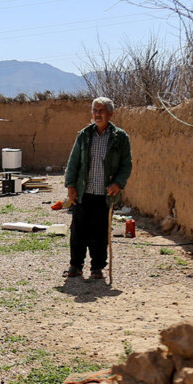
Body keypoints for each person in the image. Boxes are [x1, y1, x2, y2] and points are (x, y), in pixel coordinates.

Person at [62, 96, 133, 279]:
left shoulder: (120, 138)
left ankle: (97, 268)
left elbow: (126, 165)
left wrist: (118, 183)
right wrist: (70, 185)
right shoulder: (85, 135)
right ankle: (75, 265)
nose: (97, 114)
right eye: (95, 110)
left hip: (104, 194)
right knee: (78, 231)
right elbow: (73, 161)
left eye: (101, 110)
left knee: (100, 233)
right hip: (84, 192)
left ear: (110, 113)